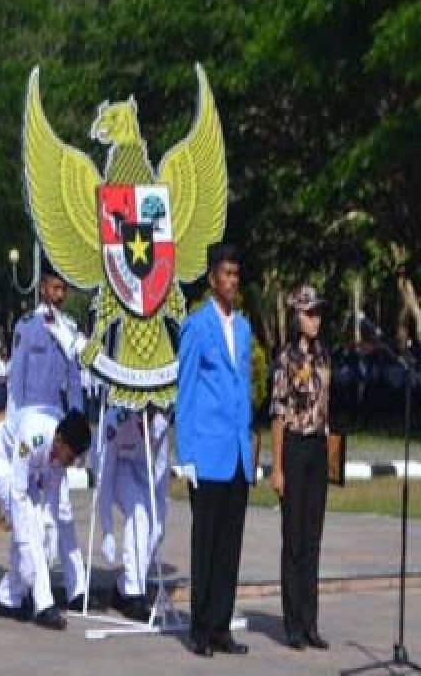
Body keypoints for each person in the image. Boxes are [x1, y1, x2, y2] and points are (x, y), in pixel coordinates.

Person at [176, 242, 253, 657]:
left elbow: (245, 389)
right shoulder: (196, 325)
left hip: (237, 453)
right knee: (205, 543)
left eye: (236, 274)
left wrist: (250, 445)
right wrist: (184, 454)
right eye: (226, 274)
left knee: (230, 544)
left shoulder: (242, 327)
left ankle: (222, 625)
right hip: (205, 453)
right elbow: (185, 392)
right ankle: (200, 628)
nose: (232, 281)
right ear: (211, 279)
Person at [0, 409, 92, 631]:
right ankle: (44, 606)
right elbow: (18, 493)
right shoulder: (33, 436)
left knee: (38, 531)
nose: (69, 463)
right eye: (70, 457)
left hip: (27, 469)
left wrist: (48, 537)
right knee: (29, 526)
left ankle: (7, 598)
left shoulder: (60, 449)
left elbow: (52, 500)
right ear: (59, 441)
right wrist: (24, 542)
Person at [270, 284, 331, 651]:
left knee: (313, 540)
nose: (316, 319)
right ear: (297, 317)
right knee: (293, 539)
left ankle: (310, 621)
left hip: (317, 448)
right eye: (310, 313)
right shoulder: (286, 358)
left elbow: (326, 404)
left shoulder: (324, 355)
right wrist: (277, 467)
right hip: (293, 446)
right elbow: (278, 415)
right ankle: (291, 622)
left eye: (319, 312)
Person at [94, 405, 170, 621]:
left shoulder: (160, 424)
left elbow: (162, 471)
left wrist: (161, 516)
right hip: (116, 467)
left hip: (141, 469)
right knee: (138, 515)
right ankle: (134, 596)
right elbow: (105, 477)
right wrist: (107, 530)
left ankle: (123, 588)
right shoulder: (116, 420)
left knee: (154, 526)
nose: (154, 411)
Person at [6, 268, 84, 422]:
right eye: (55, 288)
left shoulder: (69, 328)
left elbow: (74, 381)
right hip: (30, 414)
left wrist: (77, 417)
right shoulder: (26, 326)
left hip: (57, 415)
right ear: (42, 288)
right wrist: (14, 420)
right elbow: (17, 377)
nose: (60, 295)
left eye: (63, 289)